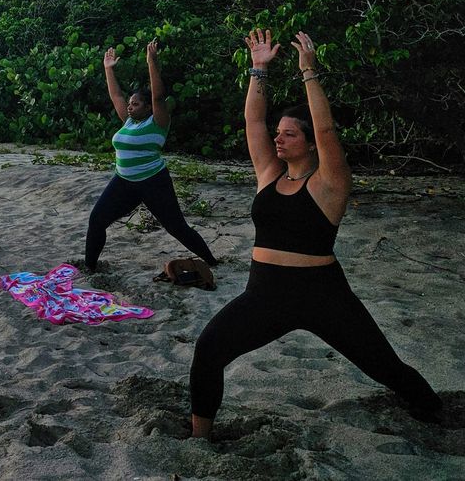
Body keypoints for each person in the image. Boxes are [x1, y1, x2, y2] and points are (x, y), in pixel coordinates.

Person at [188, 30, 443, 438]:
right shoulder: (270, 175)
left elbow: (327, 133)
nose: (279, 138)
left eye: (290, 134)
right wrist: (259, 69)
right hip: (264, 295)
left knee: (385, 367)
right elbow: (253, 120)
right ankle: (200, 438)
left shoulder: (330, 184)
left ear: (308, 144)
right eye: (280, 133)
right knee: (208, 350)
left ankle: (436, 412)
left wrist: (309, 73)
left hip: (323, 295)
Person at [83, 39, 219, 271]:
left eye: (135, 104)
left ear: (147, 108)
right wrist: (108, 69)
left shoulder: (158, 122)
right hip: (123, 181)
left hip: (153, 182)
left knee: (177, 227)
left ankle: (212, 262)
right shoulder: (128, 122)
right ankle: (89, 268)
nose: (130, 106)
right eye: (130, 103)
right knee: (97, 220)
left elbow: (158, 95)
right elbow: (116, 96)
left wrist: (151, 61)